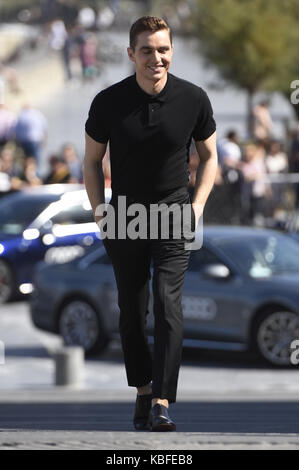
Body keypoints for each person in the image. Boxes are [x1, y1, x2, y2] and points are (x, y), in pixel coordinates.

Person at [83, 16, 217, 432]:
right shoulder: (107, 102)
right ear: (131, 54)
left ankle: (162, 400)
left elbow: (210, 158)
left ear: (171, 52)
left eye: (163, 49)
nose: (156, 58)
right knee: (131, 311)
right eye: (147, 50)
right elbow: (91, 161)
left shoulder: (193, 99)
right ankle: (142, 389)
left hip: (175, 214)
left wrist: (196, 207)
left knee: (167, 305)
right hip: (124, 217)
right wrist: (99, 210)